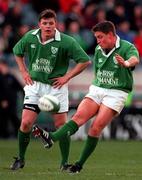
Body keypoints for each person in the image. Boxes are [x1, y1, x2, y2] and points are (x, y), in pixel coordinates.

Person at [32, 21, 139, 173]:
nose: (98, 41)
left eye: (100, 37)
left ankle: (78, 164)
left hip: (117, 92)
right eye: (96, 37)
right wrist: (97, 87)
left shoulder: (127, 47)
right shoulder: (98, 49)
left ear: (111, 35)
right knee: (78, 117)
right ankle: (51, 138)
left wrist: (127, 63)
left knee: (95, 128)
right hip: (98, 88)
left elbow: (135, 59)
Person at [10, 9, 90, 170]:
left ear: (56, 24)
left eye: (51, 23)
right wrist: (24, 71)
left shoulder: (67, 41)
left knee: (61, 125)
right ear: (39, 24)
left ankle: (64, 163)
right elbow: (17, 52)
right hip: (35, 86)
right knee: (25, 123)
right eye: (45, 23)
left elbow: (85, 61)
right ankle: (21, 158)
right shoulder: (30, 37)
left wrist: (67, 76)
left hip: (56, 88)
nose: (48, 26)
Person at [0, 60, 23, 138]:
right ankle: (4, 135)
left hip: (12, 102)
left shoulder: (11, 77)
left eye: (2, 66)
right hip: (2, 103)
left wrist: (25, 97)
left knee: (14, 117)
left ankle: (20, 134)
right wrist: (2, 100)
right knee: (3, 119)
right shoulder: (0, 77)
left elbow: (20, 87)